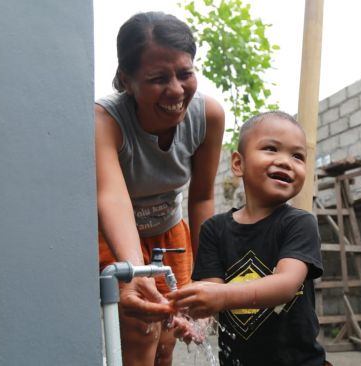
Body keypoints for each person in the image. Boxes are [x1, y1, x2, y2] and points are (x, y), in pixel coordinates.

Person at [95, 11, 225, 366]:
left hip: (171, 235)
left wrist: (207, 276)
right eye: (157, 79)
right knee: (142, 329)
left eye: (185, 73)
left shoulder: (208, 116)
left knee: (169, 337)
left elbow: (202, 198)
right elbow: (111, 196)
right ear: (126, 79)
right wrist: (134, 272)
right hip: (117, 235)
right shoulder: (106, 121)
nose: (176, 90)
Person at [166, 111, 328, 366]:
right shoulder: (214, 230)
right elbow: (210, 291)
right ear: (238, 164)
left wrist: (221, 296)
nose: (286, 161)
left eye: (297, 156)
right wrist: (195, 322)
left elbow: (285, 285)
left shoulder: (299, 223)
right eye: (271, 149)